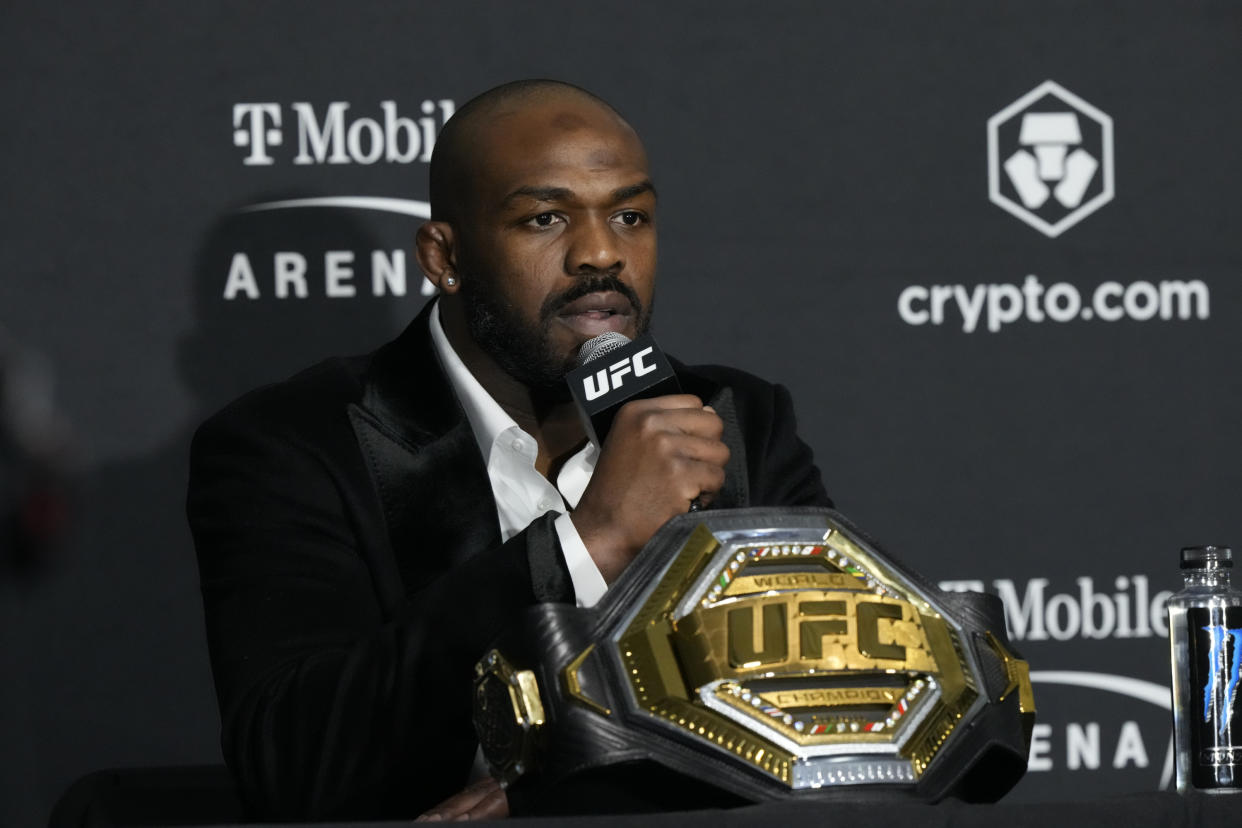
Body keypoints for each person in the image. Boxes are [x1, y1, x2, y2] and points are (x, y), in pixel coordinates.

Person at [187, 79, 830, 822]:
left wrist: (572, 783)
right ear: (443, 255)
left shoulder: (736, 419)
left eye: (630, 216)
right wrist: (590, 542)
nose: (600, 252)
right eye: (545, 218)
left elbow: (829, 712)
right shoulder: (293, 447)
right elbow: (298, 763)